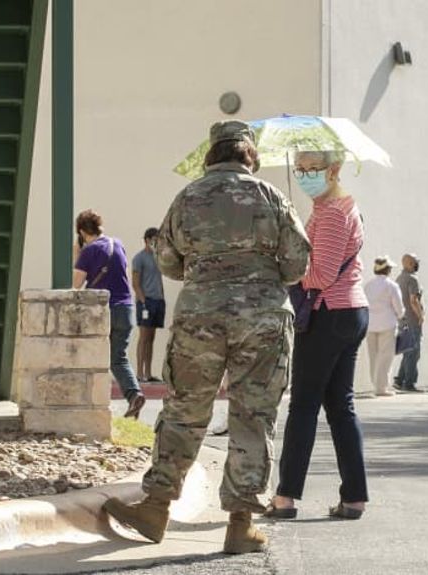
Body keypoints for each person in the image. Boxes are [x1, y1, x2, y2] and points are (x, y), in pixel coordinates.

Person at [102, 121, 311, 554]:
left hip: (201, 317)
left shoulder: (189, 196)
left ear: (211, 155)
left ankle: (156, 507)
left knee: (183, 409)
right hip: (263, 320)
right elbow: (297, 264)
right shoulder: (271, 196)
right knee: (253, 416)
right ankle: (240, 524)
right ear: (250, 155)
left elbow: (167, 259)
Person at [270, 148, 370, 522]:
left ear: (335, 169)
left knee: (304, 406)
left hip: (329, 314)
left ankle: (285, 497)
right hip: (350, 311)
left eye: (314, 168)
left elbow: (321, 276)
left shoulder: (332, 213)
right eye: (300, 169)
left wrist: (288, 270)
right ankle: (354, 498)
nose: (306, 175)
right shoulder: (342, 207)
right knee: (340, 408)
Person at [72, 210, 144, 418]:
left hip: (104, 310)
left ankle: (90, 402)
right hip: (127, 308)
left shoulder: (89, 251)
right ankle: (134, 395)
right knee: (119, 358)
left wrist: (77, 256)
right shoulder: (117, 244)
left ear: (82, 231)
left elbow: (76, 286)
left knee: (92, 356)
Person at [364, 256, 404, 396]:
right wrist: (400, 316)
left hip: (370, 324)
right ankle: (381, 388)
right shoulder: (391, 285)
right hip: (387, 323)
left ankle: (376, 384)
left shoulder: (368, 285)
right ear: (387, 270)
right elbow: (399, 306)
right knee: (386, 356)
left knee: (373, 355)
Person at [132, 227, 166, 384]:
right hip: (146, 301)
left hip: (158, 301)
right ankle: (139, 374)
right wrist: (143, 302)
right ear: (147, 240)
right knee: (143, 337)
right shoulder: (139, 258)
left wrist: (162, 298)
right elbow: (135, 283)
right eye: (154, 239)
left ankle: (148, 372)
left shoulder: (158, 257)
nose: (156, 242)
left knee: (151, 338)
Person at [394, 253, 425, 392]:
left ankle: (399, 380)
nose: (416, 265)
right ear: (407, 264)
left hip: (403, 319)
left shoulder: (399, 278)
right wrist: (421, 315)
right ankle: (409, 383)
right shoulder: (412, 279)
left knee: (408, 350)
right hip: (412, 319)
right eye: (414, 263)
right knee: (414, 352)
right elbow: (414, 300)